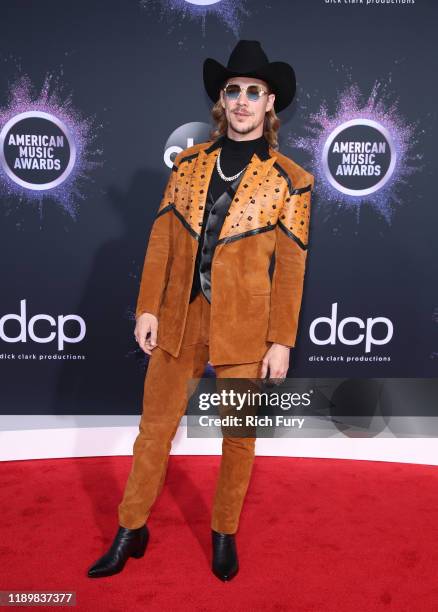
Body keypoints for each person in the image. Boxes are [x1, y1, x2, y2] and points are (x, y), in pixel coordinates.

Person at [87, 39, 314, 582]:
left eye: (253, 92)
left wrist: (281, 339)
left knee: (238, 436)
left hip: (247, 328)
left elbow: (292, 268)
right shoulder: (188, 165)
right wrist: (147, 308)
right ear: (222, 99)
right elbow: (162, 242)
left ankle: (223, 533)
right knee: (155, 429)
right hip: (179, 317)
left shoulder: (293, 181)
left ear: (269, 103)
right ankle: (129, 528)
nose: (241, 101)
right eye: (233, 90)